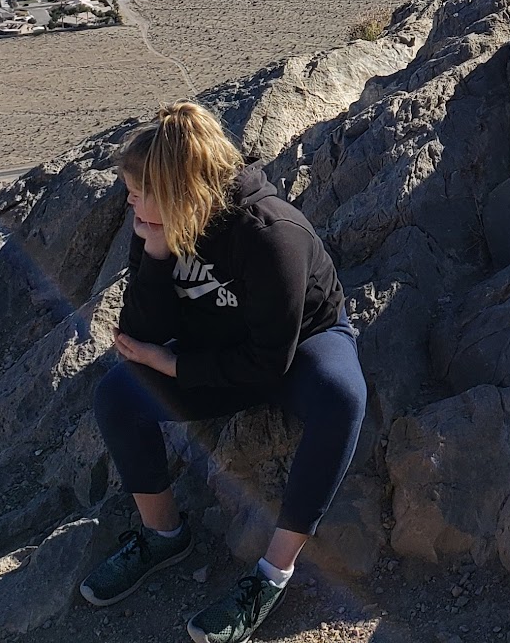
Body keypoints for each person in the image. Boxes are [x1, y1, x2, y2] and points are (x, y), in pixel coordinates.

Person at [79, 102, 367, 643]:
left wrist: (175, 363)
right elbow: (138, 329)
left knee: (340, 399)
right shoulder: (157, 221)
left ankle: (272, 574)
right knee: (117, 395)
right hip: (218, 344)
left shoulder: (270, 234)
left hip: (296, 347)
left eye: (139, 191)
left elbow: (266, 365)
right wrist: (157, 253)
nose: (130, 202)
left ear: (181, 190)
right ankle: (164, 535)